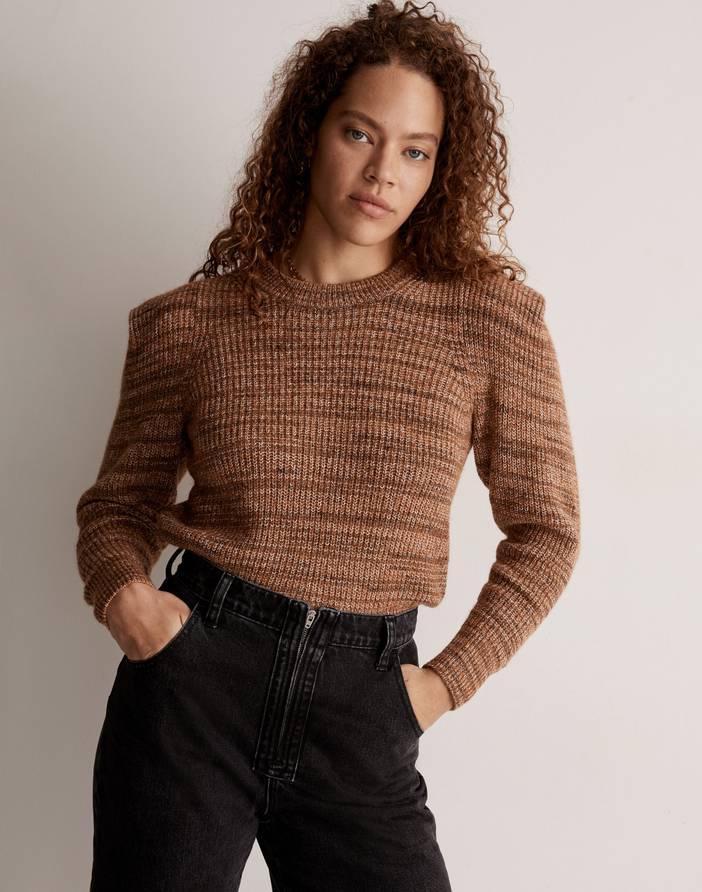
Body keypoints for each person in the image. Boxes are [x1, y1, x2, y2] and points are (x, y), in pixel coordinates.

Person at [75, 1, 581, 889]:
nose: (383, 172)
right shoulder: (191, 325)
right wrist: (128, 600)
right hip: (193, 693)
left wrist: (444, 684)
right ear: (310, 133)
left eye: (416, 151)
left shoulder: (489, 323)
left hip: (366, 705)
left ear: (440, 170)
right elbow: (118, 506)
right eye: (360, 133)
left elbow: (548, 532)